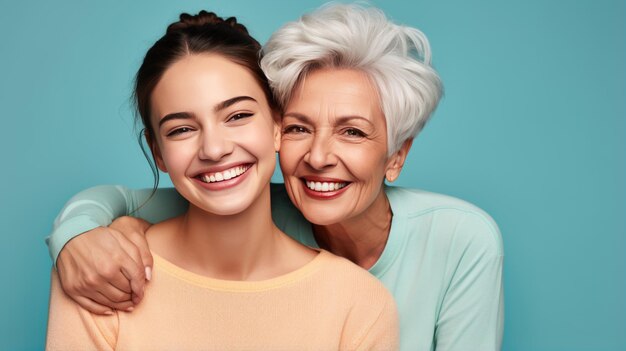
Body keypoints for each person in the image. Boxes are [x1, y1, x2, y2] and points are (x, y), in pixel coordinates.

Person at [47, 4, 503, 350]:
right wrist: (78, 236)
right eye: (302, 127)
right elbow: (126, 202)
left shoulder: (448, 245)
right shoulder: (110, 270)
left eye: (353, 132)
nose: (320, 157)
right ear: (282, 130)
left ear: (396, 156)